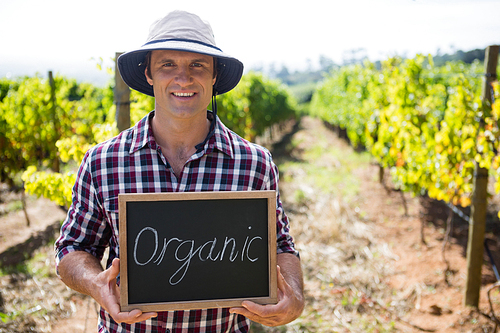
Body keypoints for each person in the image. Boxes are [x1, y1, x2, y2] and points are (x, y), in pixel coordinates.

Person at [55, 10, 304, 333]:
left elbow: (280, 246)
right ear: (149, 74)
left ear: (214, 75)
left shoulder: (253, 163)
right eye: (167, 64)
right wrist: (94, 283)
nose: (183, 78)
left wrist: (295, 296)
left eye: (197, 65)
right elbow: (73, 247)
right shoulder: (104, 161)